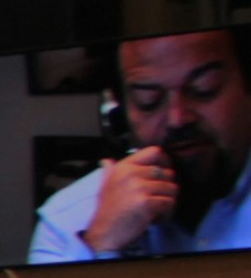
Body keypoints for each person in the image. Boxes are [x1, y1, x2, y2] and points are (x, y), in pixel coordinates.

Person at [35, 25, 251, 261]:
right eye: (149, 100)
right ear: (119, 113)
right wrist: (101, 244)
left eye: (204, 89)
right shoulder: (65, 221)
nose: (177, 118)